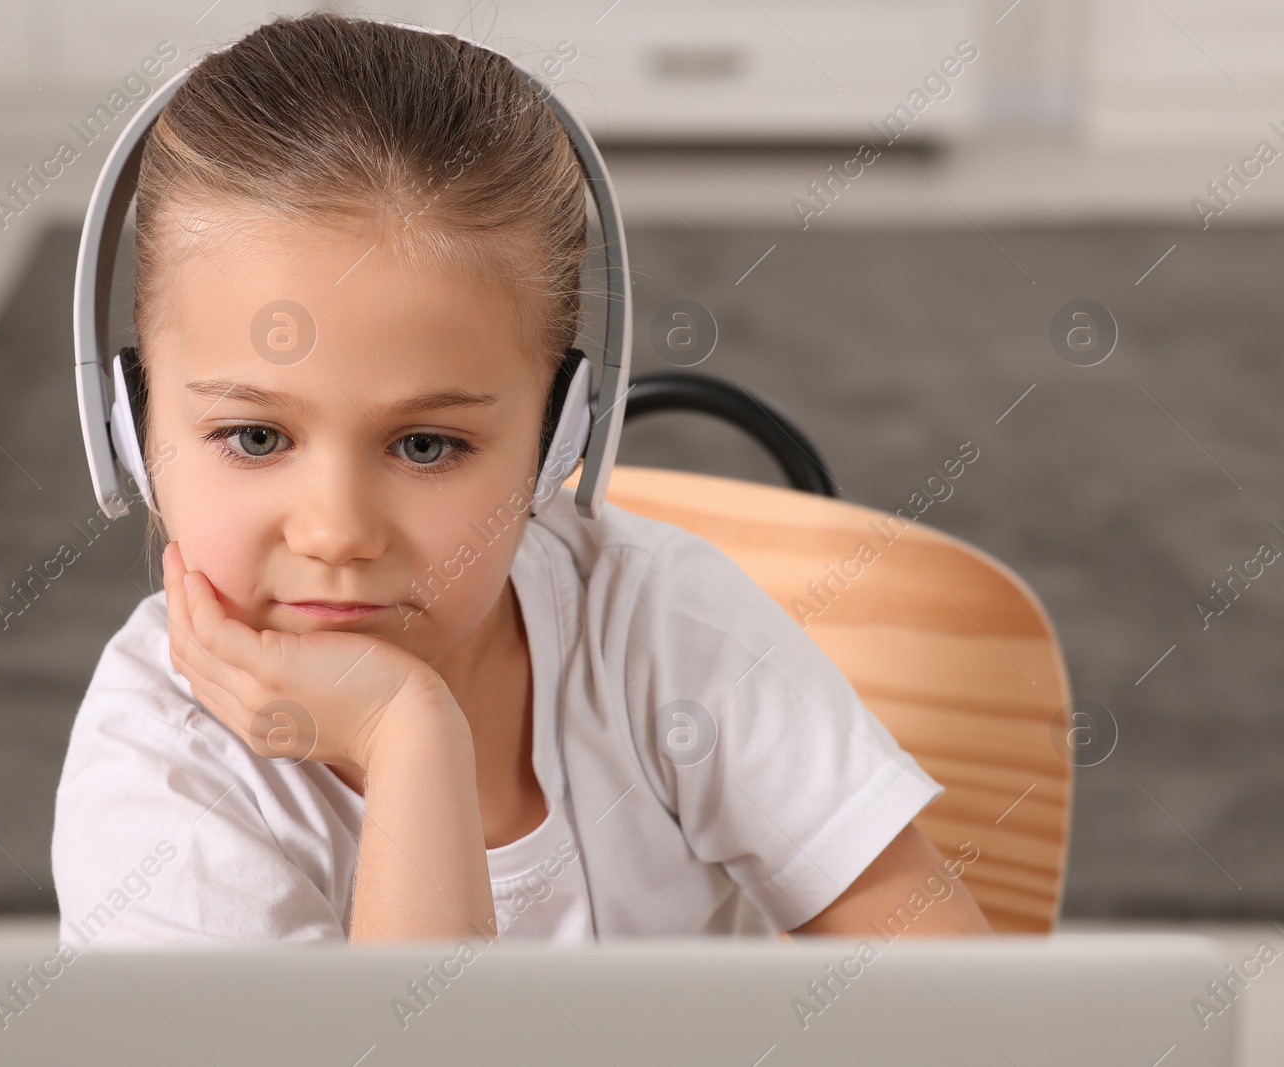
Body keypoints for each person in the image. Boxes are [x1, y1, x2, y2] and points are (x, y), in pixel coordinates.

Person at [51, 11, 991, 948]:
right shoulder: (160, 775)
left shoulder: (661, 627)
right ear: (129, 433)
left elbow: (943, 983)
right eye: (255, 436)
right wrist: (408, 739)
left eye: (426, 446)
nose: (336, 533)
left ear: (558, 438)